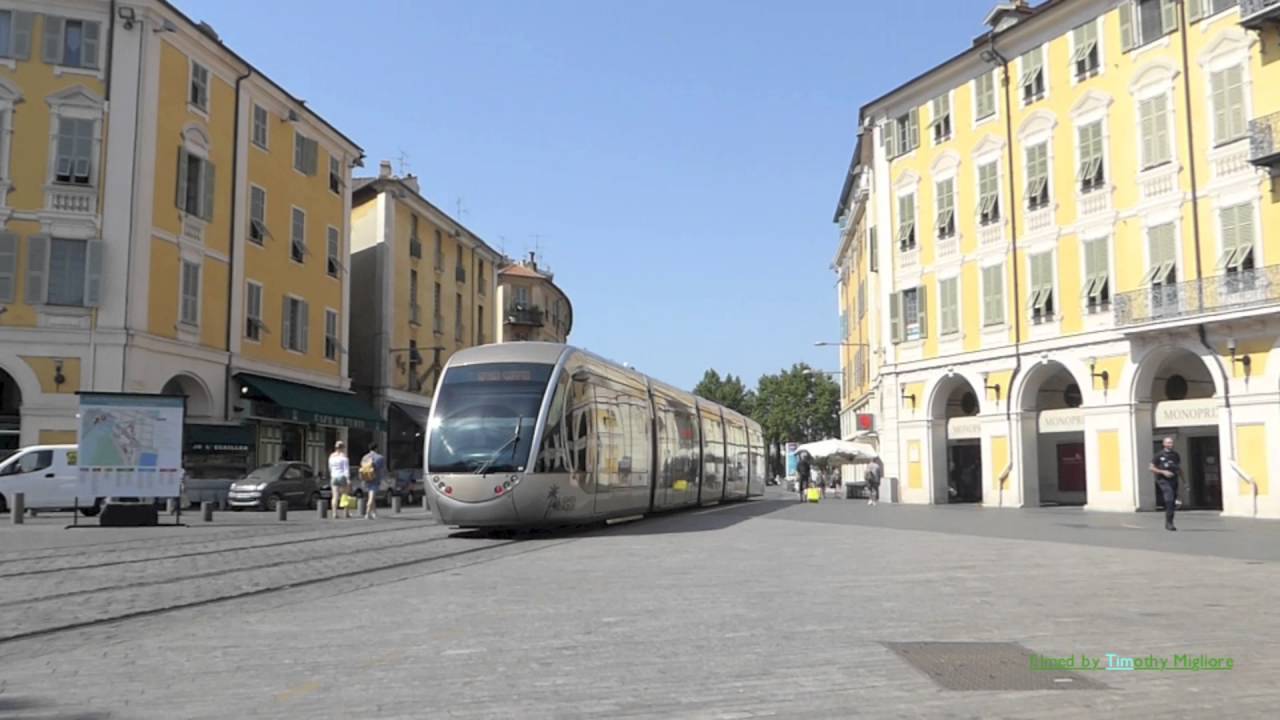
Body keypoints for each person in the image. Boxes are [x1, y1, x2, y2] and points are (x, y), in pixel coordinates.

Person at [1149, 436, 1180, 531]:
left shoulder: (1175, 455)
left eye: (1172, 442)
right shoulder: (1159, 455)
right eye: (1169, 443)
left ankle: (1169, 521)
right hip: (1163, 480)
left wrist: (1185, 482)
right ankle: (1169, 523)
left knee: (1172, 501)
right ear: (1164, 444)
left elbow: (1179, 468)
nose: (1171, 444)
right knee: (1169, 498)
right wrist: (1163, 472)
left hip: (1174, 479)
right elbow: (1151, 467)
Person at [359, 444, 386, 519]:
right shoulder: (380, 457)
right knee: (371, 496)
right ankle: (367, 513)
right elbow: (382, 469)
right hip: (375, 478)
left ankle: (374, 512)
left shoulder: (365, 457)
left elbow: (361, 466)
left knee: (371, 495)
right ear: (376, 448)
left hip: (366, 478)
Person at [328, 441, 351, 519]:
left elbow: (330, 468)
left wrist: (332, 475)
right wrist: (348, 479)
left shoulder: (331, 457)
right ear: (342, 448)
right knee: (345, 495)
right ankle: (346, 512)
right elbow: (346, 469)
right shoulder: (344, 457)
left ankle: (334, 513)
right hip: (342, 476)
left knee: (335, 496)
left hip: (334, 477)